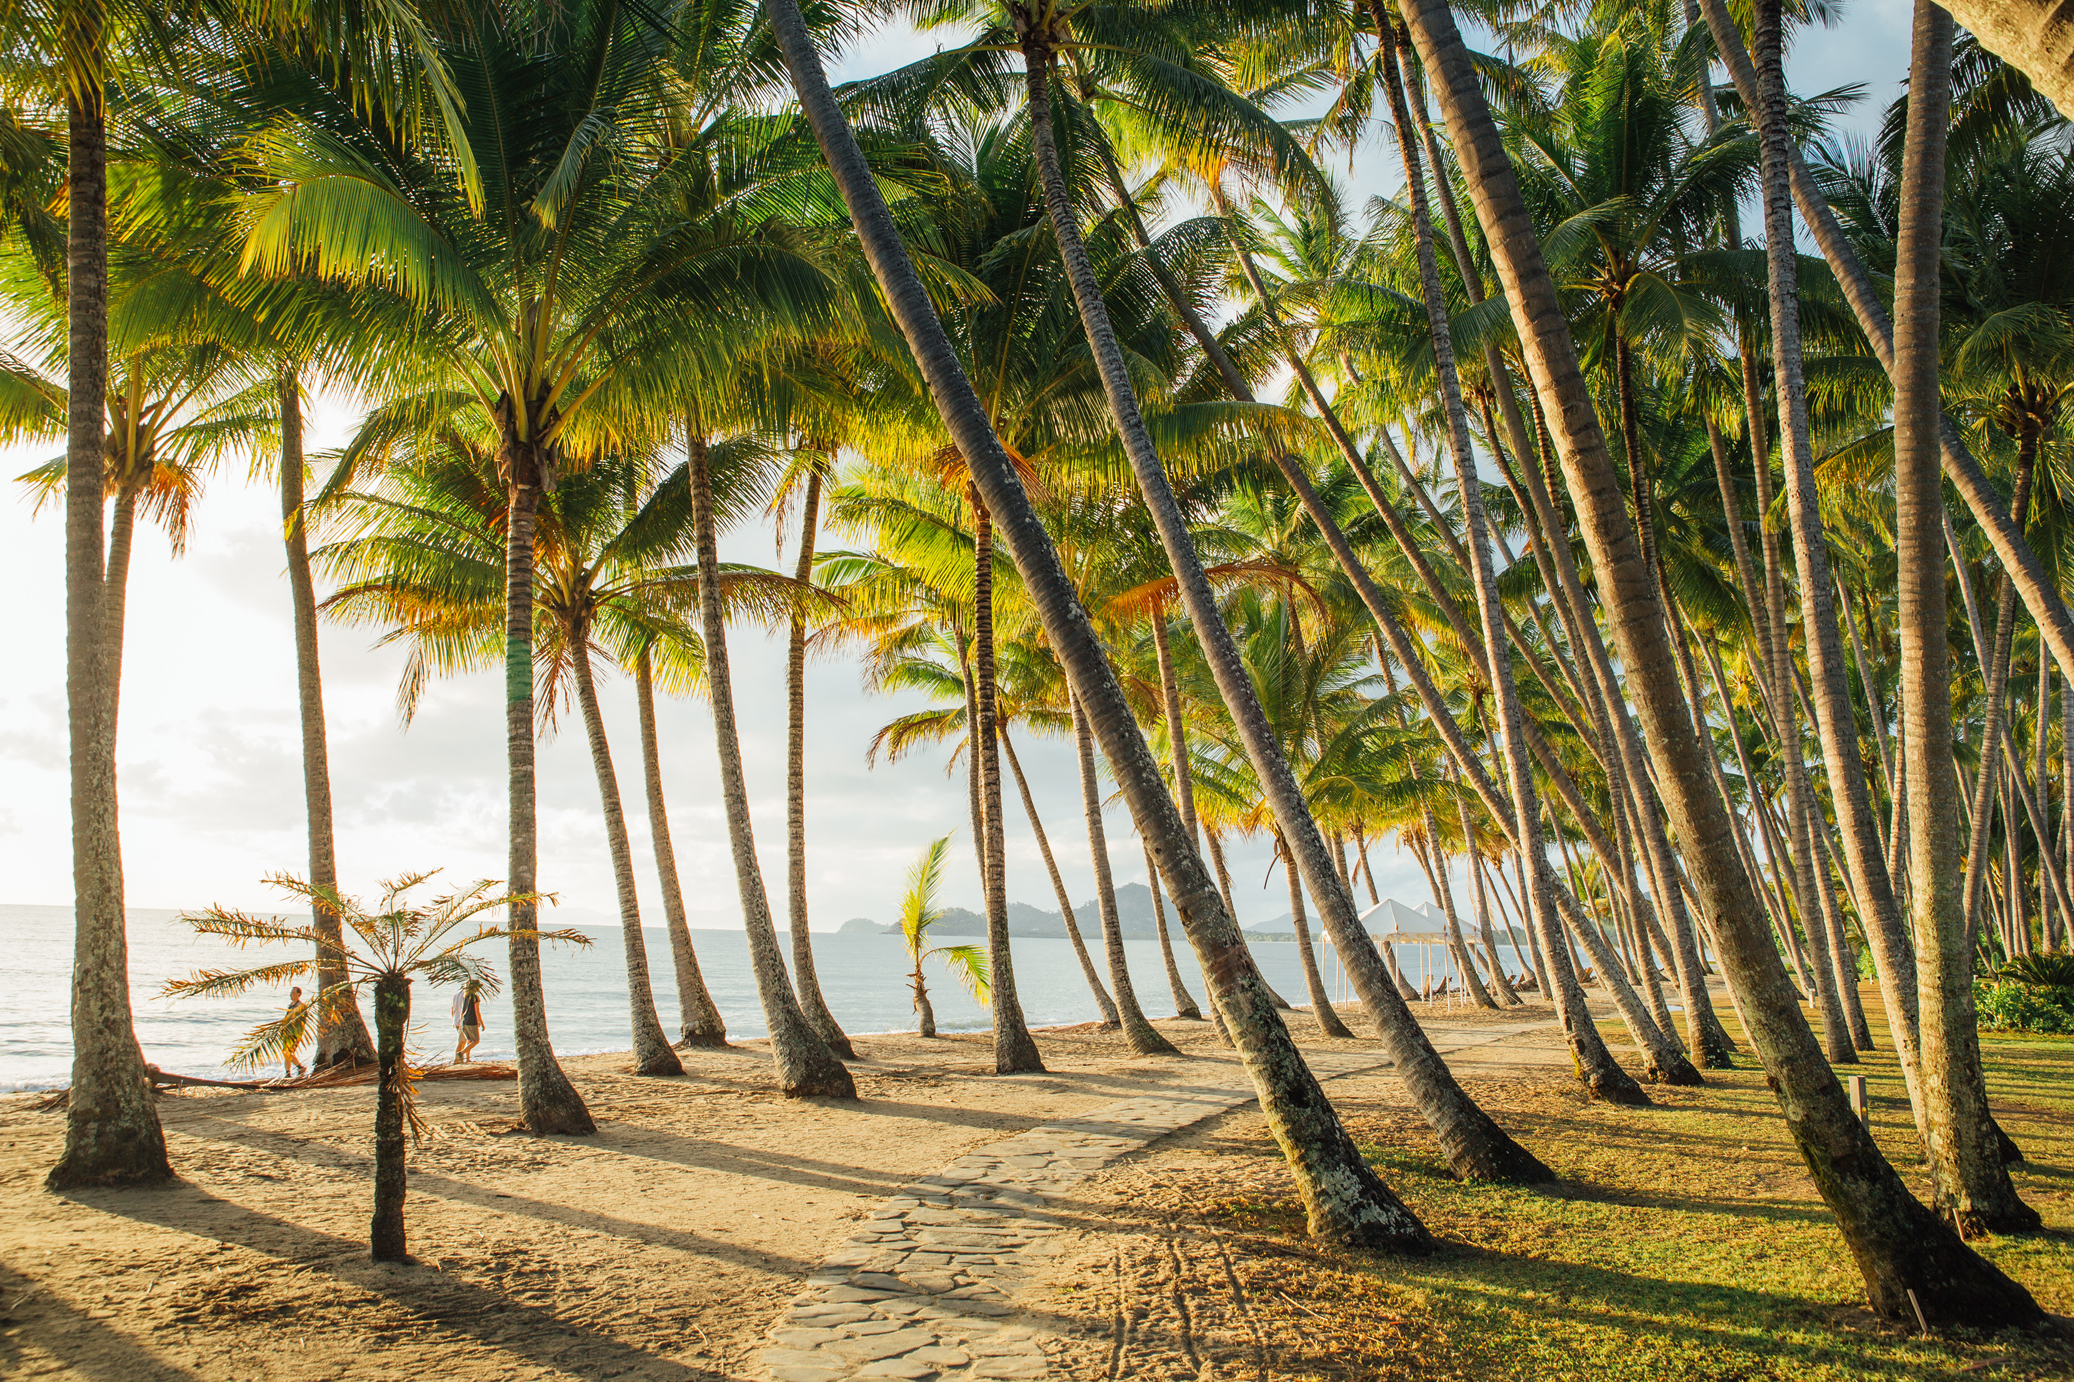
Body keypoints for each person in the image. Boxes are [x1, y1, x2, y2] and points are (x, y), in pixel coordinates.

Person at [452, 981, 484, 1064]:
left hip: (463, 1021)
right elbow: (477, 1011)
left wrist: (457, 1020)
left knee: (469, 1040)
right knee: (474, 1041)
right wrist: (481, 1022)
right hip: (469, 1021)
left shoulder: (465, 995)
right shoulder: (474, 997)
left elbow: (459, 1009)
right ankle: (459, 1056)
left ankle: (467, 1059)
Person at [283, 986, 309, 1079]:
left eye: (293, 993)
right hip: (288, 1033)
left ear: (298, 995)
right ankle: (287, 1073)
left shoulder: (300, 1006)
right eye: (291, 993)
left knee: (288, 1053)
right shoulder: (291, 1005)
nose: (291, 994)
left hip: (295, 1033)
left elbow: (299, 1020)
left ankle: (300, 1067)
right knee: (286, 1053)